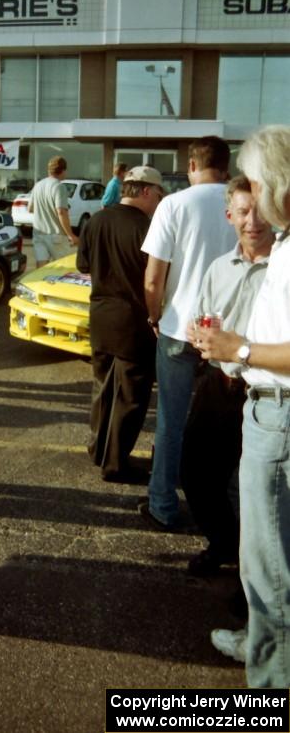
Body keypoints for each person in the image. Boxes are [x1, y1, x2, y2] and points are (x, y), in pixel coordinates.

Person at [196, 125, 290, 688]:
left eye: (257, 182)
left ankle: (271, 686)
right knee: (264, 559)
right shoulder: (283, 243)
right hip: (266, 407)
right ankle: (263, 645)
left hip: (279, 415)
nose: (251, 199)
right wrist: (233, 345)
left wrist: (243, 349)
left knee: (270, 566)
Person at [140, 136, 235, 530]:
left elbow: (153, 276)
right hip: (229, 336)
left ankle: (162, 504)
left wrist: (154, 315)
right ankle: (225, 513)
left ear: (191, 165)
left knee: (171, 421)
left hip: (179, 327)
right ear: (227, 169)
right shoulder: (243, 206)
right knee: (227, 429)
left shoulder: (173, 204)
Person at [181, 175, 273, 576]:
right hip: (219, 383)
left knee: (258, 495)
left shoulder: (283, 267)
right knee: (196, 475)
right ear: (229, 215)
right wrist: (195, 333)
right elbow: (201, 314)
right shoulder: (220, 267)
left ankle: (252, 584)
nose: (252, 221)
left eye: (259, 210)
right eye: (242, 211)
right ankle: (223, 544)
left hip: (265, 388)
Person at [77, 166, 164, 482]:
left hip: (100, 316)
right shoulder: (149, 227)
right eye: (157, 194)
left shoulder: (96, 219)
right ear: (144, 191)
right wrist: (155, 317)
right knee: (130, 396)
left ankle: (97, 448)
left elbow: (83, 265)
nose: (159, 200)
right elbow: (155, 279)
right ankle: (115, 464)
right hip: (133, 321)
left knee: (102, 386)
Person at [27, 156, 79, 268]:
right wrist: (71, 235)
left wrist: (44, 208)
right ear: (63, 170)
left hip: (39, 234)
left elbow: (30, 208)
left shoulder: (38, 185)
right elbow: (61, 212)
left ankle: (41, 285)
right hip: (56, 236)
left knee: (41, 268)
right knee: (63, 268)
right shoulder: (59, 186)